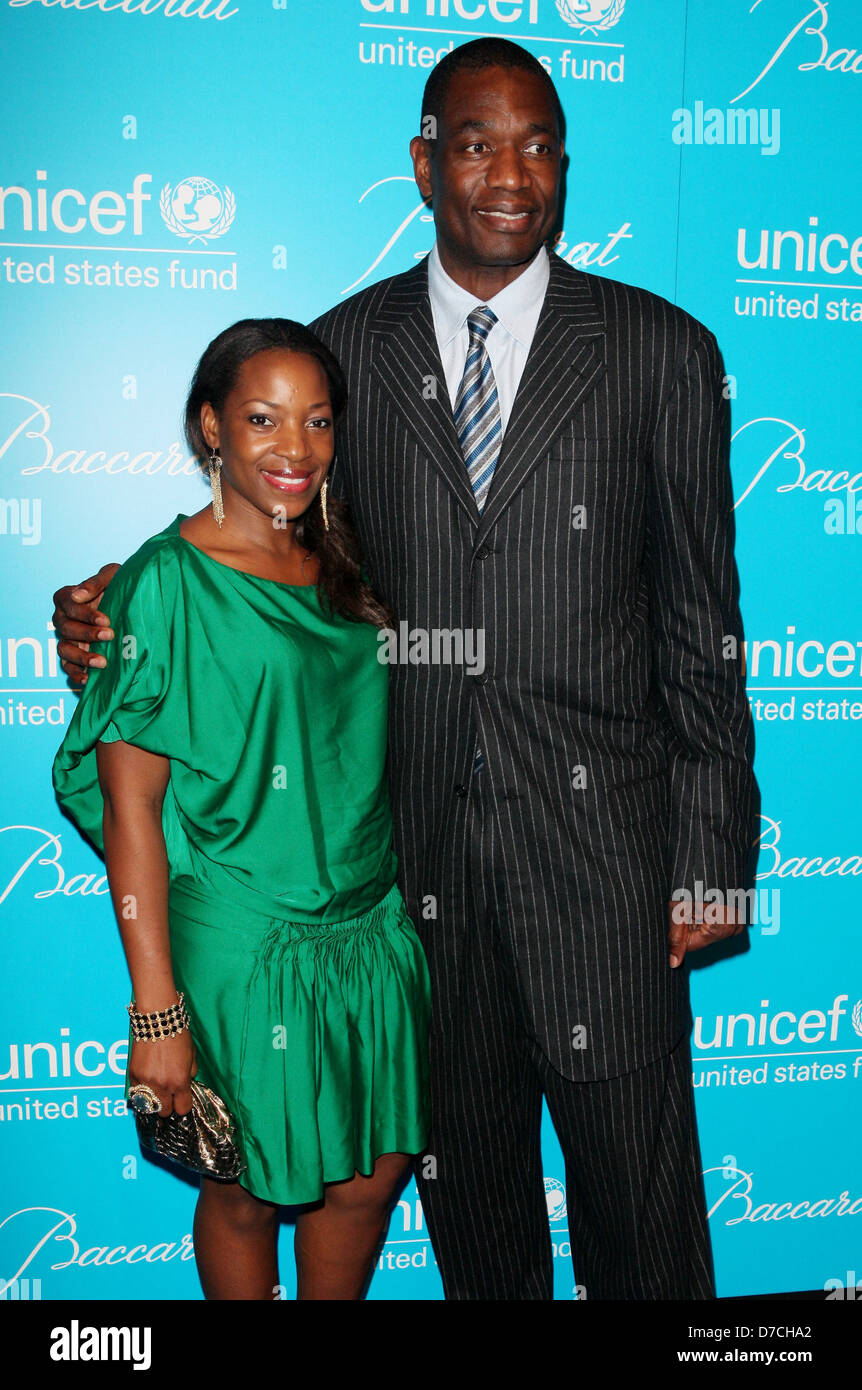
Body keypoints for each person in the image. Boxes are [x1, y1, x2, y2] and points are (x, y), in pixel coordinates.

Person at [52, 39, 758, 1300]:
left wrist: (712, 847)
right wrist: (107, 612)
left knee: (643, 1220)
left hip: (607, 863)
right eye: (478, 143)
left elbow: (704, 622)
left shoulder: (661, 350)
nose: (510, 174)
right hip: (413, 881)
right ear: (423, 160)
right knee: (474, 1214)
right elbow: (261, 542)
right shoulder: (341, 352)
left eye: (539, 146)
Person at [52, 319, 431, 1301]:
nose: (293, 449)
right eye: (262, 419)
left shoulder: (349, 557)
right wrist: (157, 1012)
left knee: (364, 1176)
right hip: (242, 943)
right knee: (248, 1188)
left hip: (369, 926)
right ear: (208, 426)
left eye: (315, 421)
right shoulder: (161, 583)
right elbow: (132, 813)